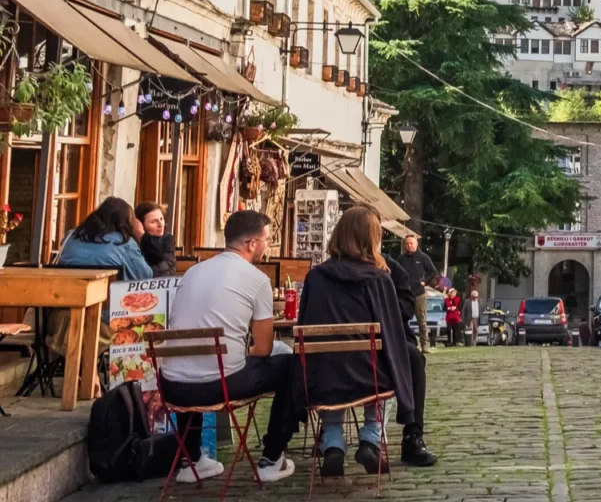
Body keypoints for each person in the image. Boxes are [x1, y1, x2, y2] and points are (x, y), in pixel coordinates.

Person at [157, 210, 297, 484]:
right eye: (267, 239)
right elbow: (264, 348)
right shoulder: (257, 279)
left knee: (198, 363)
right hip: (219, 384)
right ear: (251, 243)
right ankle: (272, 457)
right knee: (291, 365)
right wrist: (242, 356)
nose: (267, 246)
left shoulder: (193, 272)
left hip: (172, 385)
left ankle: (191, 460)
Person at [296, 206, 416, 477]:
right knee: (387, 371)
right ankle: (371, 439)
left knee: (329, 370)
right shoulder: (378, 279)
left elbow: (304, 327)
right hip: (368, 376)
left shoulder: (315, 278)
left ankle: (333, 444)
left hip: (325, 377)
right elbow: (392, 334)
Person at [382, 247, 438, 466]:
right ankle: (330, 438)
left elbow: (406, 306)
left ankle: (412, 435)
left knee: (414, 358)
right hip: (349, 348)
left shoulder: (388, 267)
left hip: (390, 340)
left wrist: (386, 303)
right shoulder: (328, 273)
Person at [58, 197, 152, 282]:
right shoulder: (125, 243)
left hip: (66, 294)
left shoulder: (71, 235)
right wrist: (141, 237)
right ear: (126, 221)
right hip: (108, 298)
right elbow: (145, 276)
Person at [397, 234, 438, 354]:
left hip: (419, 293)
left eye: (411, 243)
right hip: (405, 294)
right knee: (402, 320)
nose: (409, 246)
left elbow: (433, 271)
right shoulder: (401, 259)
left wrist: (426, 281)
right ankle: (405, 344)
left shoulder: (423, 257)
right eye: (407, 243)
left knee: (422, 321)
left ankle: (425, 345)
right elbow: (396, 272)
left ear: (416, 244)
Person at [134, 202, 176, 277]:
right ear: (140, 225)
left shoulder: (167, 239)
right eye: (154, 222)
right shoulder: (133, 242)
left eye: (161, 219)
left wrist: (143, 272)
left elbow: (168, 269)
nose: (160, 224)